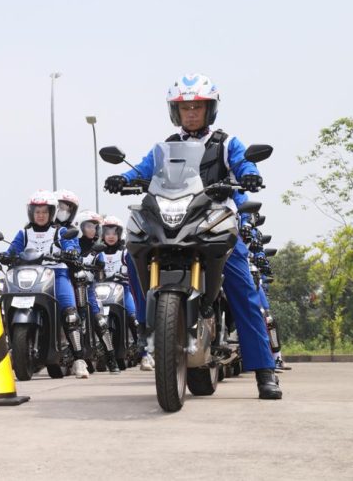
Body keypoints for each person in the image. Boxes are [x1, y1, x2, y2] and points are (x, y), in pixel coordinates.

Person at [104, 74, 282, 399]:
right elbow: (143, 170)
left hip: (217, 218)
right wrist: (121, 177)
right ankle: (153, 325)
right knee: (134, 253)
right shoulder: (166, 147)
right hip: (176, 216)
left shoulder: (228, 143)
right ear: (176, 111)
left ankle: (265, 371)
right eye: (184, 107)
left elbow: (243, 165)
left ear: (209, 109)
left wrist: (251, 176)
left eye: (197, 107)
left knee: (243, 286)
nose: (191, 113)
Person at [3, 190, 89, 378]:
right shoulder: (24, 233)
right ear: (31, 213)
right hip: (29, 275)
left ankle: (79, 360)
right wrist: (3, 256)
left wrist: (71, 252)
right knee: (7, 305)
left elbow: (72, 246)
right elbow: (12, 250)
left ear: (52, 213)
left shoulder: (61, 232)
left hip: (57, 275)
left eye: (44, 211)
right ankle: (13, 349)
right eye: (37, 211)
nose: (40, 215)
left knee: (70, 314)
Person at [99, 215, 145, 371]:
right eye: (107, 232)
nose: (111, 236)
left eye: (114, 232)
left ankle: (142, 350)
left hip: (123, 292)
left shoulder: (125, 252)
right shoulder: (98, 252)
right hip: (102, 293)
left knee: (134, 318)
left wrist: (125, 275)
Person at [76, 210, 120, 373]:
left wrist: (99, 268)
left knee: (100, 322)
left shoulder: (98, 249)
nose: (92, 230)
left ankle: (111, 358)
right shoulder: (73, 245)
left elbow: (101, 273)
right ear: (80, 227)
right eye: (88, 226)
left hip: (88, 289)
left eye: (95, 227)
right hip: (72, 287)